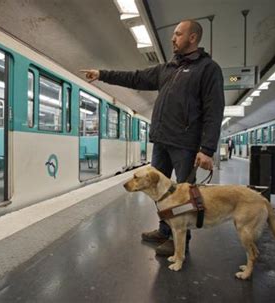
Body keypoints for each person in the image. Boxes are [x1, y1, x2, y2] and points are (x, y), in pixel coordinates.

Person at [81, 20, 225, 256]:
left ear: (193, 38)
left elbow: (214, 109)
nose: (173, 38)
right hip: (161, 142)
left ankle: (180, 241)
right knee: (159, 193)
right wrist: (101, 74)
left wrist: (207, 148)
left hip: (186, 145)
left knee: (183, 196)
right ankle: (164, 230)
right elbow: (135, 78)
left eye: (178, 34)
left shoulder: (208, 69)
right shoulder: (167, 69)